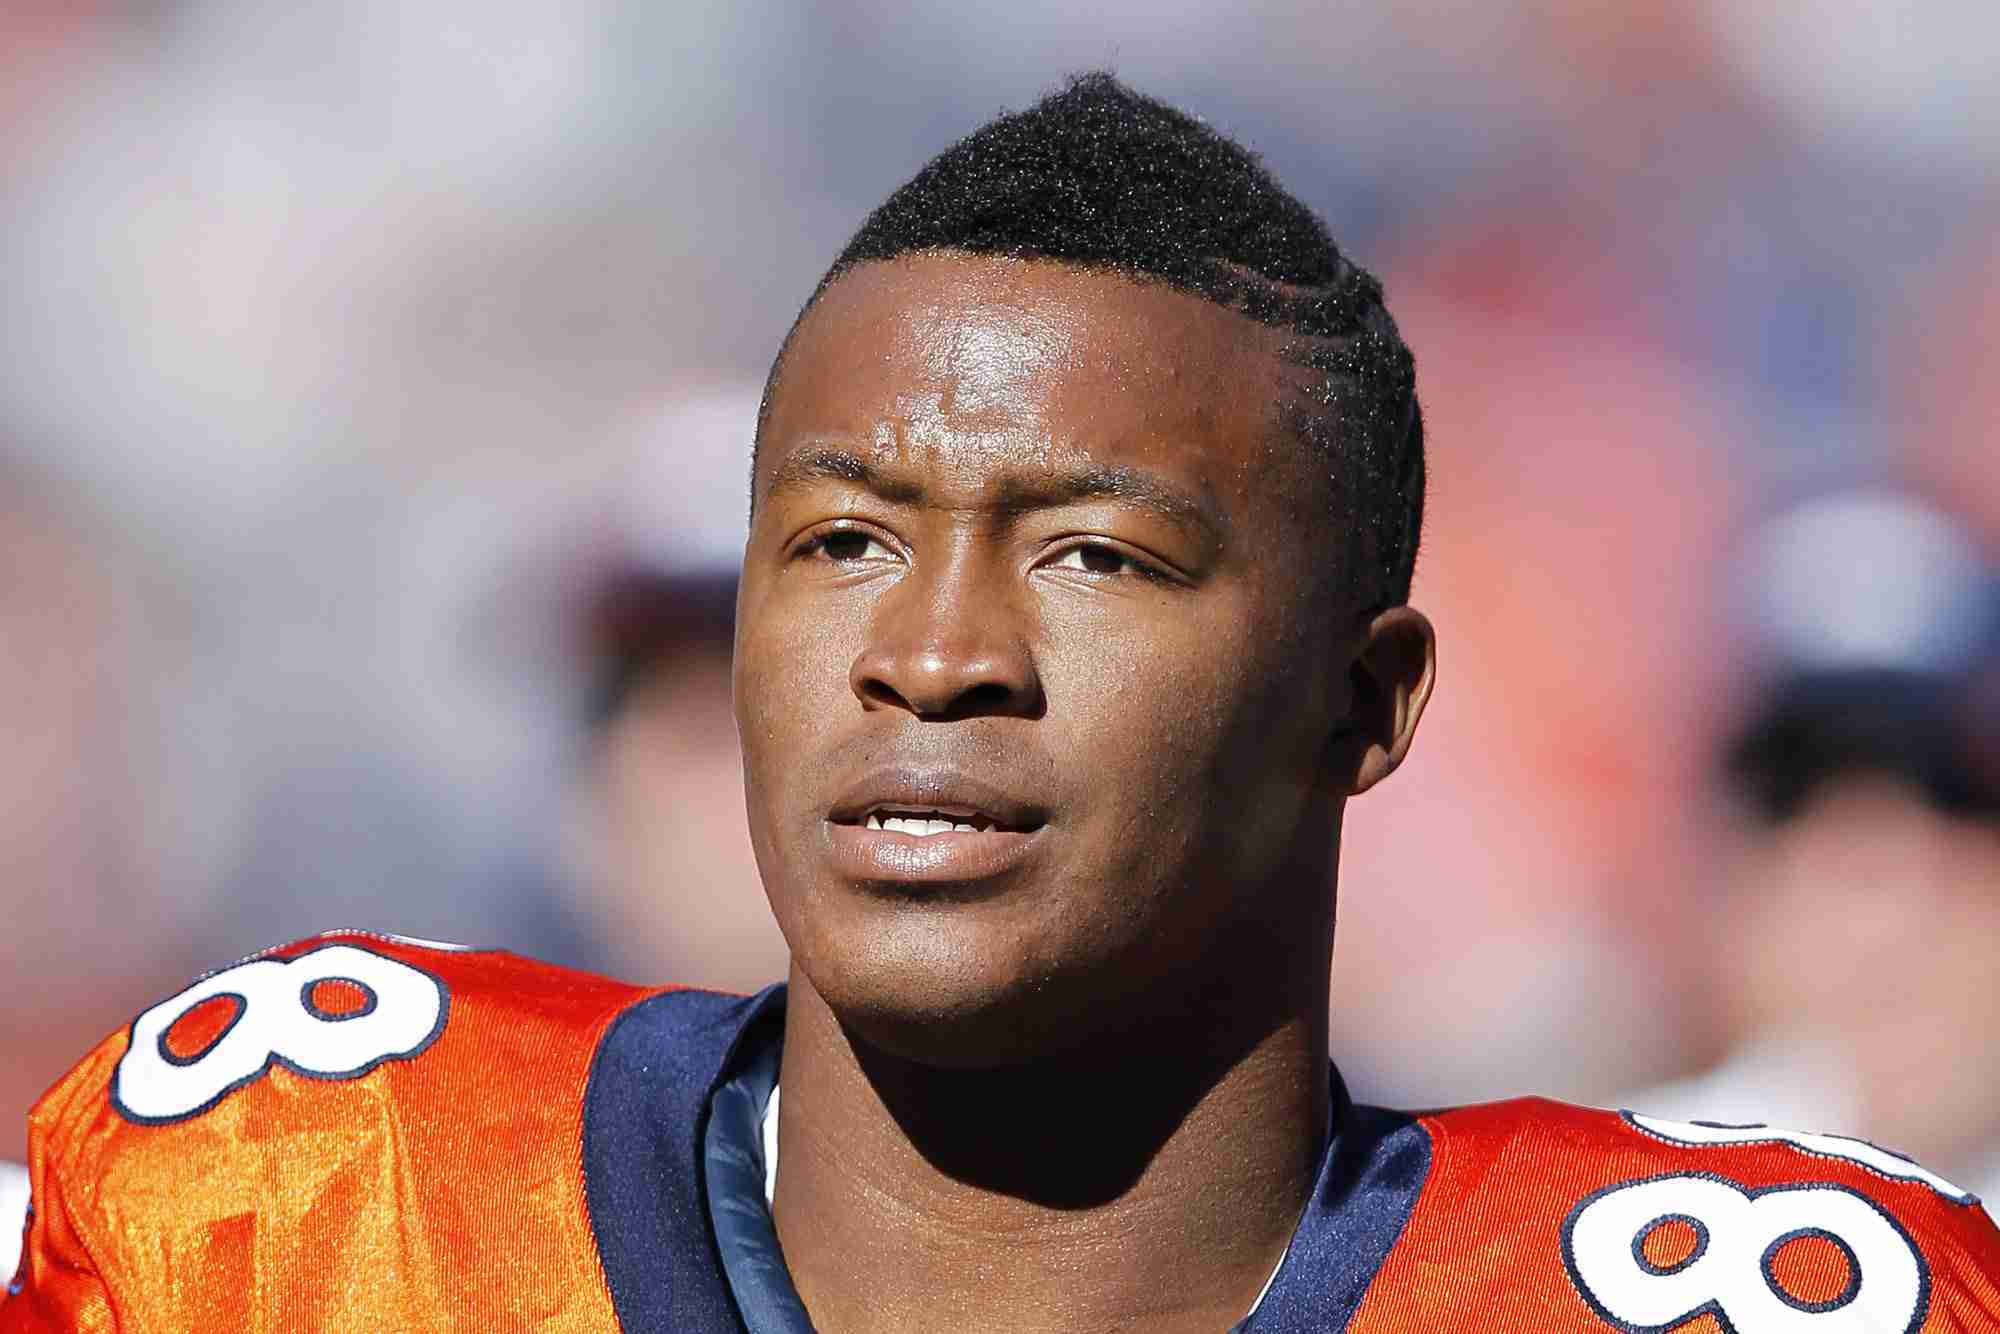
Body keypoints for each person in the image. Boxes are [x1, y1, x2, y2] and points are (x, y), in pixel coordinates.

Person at [6, 74, 1998, 1333]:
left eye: (1096, 557)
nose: (934, 649)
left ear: (1365, 700)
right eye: (839, 541)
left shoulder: (1766, 1297)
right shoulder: (294, 1199)